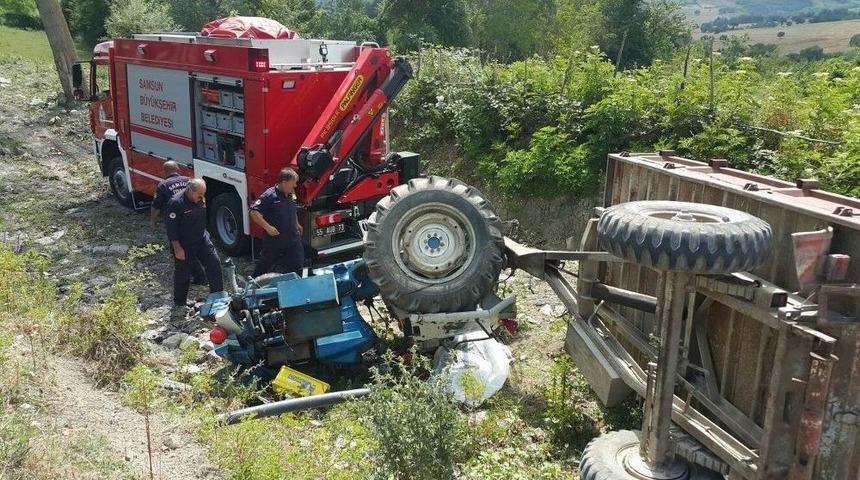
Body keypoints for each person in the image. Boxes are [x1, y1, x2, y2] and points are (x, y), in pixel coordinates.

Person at [164, 178, 224, 310]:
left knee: (214, 264)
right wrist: (177, 248)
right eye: (199, 195)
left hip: (202, 239)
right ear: (190, 190)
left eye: (203, 194)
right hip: (184, 243)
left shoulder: (199, 198)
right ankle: (179, 303)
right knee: (183, 273)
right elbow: (171, 229)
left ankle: (218, 298)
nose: (202, 198)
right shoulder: (176, 203)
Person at [150, 161, 206, 285]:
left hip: (176, 221)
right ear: (178, 169)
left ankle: (197, 276)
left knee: (179, 249)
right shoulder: (189, 180)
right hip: (194, 218)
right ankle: (198, 274)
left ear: (164, 172)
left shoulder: (163, 185)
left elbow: (156, 205)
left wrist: (153, 220)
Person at [250, 168, 304, 277]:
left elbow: (292, 207)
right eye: (293, 184)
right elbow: (254, 212)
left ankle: (296, 288)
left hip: (292, 239)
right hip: (275, 240)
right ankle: (252, 286)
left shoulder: (291, 194)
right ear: (284, 182)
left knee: (298, 264)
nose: (295, 186)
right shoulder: (270, 195)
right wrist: (268, 227)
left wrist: (297, 223)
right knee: (265, 265)